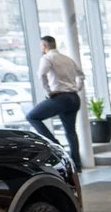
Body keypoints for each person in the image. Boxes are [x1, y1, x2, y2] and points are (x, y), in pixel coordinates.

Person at [26, 35, 84, 170]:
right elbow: (81, 75)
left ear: (44, 46)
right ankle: (76, 165)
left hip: (61, 97)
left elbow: (41, 74)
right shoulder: (67, 59)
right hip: (74, 98)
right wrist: (77, 88)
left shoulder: (47, 58)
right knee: (71, 132)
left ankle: (56, 146)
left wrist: (49, 91)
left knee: (32, 117)